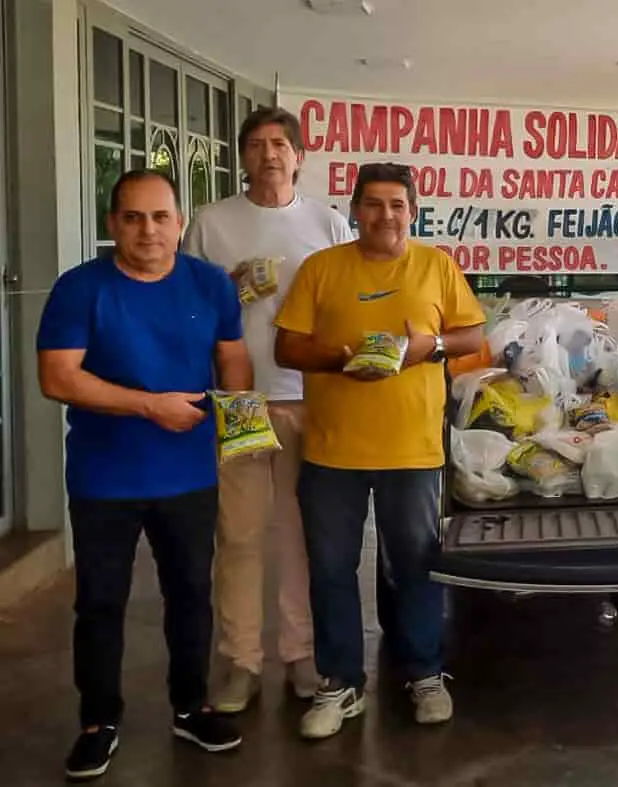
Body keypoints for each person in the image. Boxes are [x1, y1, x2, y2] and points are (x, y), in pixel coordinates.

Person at [37, 170, 249, 781]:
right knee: (101, 603)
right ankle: (98, 722)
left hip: (188, 474)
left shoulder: (209, 284)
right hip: (105, 478)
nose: (148, 230)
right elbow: (57, 377)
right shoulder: (80, 289)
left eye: (160, 217)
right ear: (112, 225)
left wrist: (239, 426)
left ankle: (191, 706)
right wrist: (150, 404)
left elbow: (232, 356)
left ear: (180, 224)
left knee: (190, 596)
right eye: (133, 217)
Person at [273, 162, 486, 740]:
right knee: (331, 570)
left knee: (415, 566)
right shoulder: (322, 269)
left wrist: (432, 345)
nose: (384, 215)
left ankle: (424, 672)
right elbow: (286, 347)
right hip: (332, 450)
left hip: (412, 450)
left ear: (412, 212)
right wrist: (341, 358)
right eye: (372, 204)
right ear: (354, 211)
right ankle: (340, 683)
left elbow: (473, 336)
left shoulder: (436, 266)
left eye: (396, 204)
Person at [182, 107, 354, 713]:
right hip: (239, 400)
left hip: (310, 397)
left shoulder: (328, 223)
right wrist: (225, 291)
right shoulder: (211, 222)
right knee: (240, 536)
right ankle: (239, 661)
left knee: (305, 536)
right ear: (243, 156)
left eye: (280, 144)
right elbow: (186, 310)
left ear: (300, 155)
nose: (269, 154)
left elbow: (347, 307)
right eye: (256, 144)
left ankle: (302, 654)